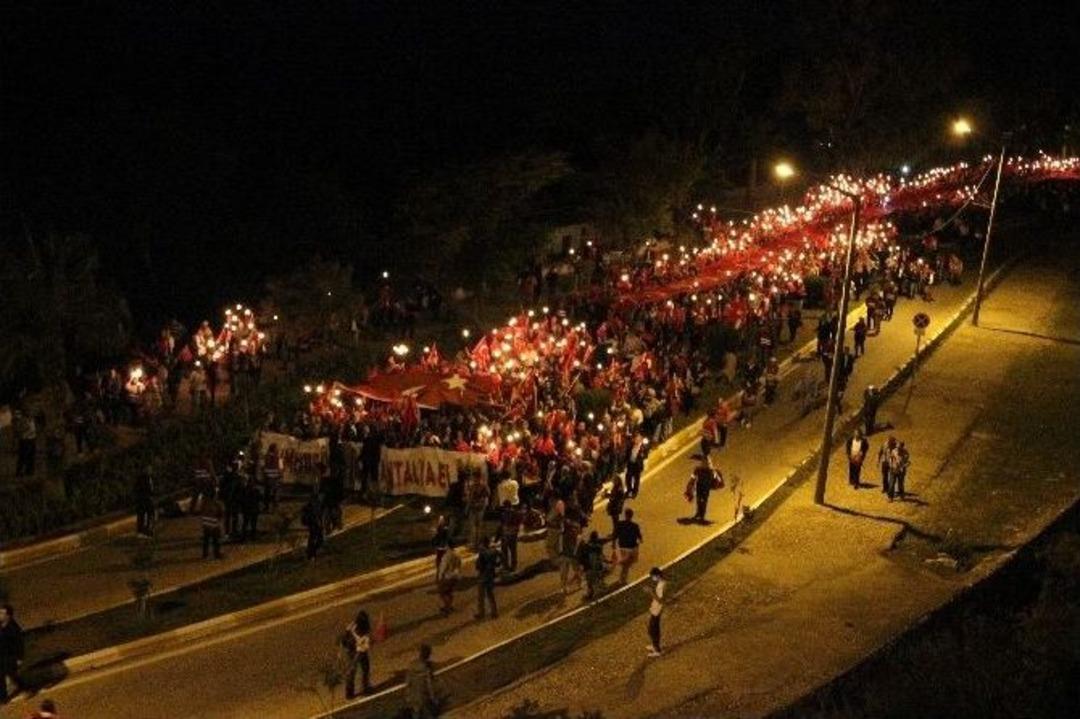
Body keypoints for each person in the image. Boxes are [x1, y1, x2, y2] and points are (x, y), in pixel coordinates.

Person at [343, 610, 372, 698]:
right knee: (364, 669)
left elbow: (346, 633)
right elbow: (363, 648)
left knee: (351, 672)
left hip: (350, 649)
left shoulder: (353, 625)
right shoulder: (364, 632)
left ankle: (349, 692)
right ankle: (365, 688)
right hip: (357, 650)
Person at [404, 643, 437, 719]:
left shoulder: (412, 665)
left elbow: (408, 681)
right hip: (423, 696)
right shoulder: (427, 668)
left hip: (413, 696)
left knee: (416, 714)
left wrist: (407, 695)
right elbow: (429, 685)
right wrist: (433, 697)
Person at [0, 604, 25, 704]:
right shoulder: (1, 625)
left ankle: (24, 686)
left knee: (12, 675)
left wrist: (19, 658)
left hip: (10, 657)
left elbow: (19, 643)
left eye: (2, 613)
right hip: (2, 655)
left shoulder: (13, 628)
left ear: (8, 615)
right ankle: (3, 698)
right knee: (1, 676)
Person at [686, 456, 722, 523]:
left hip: (705, 487)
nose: (705, 464)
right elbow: (693, 478)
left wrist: (718, 482)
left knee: (703, 501)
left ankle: (701, 516)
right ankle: (698, 514)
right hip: (699, 486)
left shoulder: (710, 471)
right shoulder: (698, 470)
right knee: (699, 500)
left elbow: (717, 478)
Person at [613, 508, 643, 584]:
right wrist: (640, 540)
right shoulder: (635, 526)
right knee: (626, 565)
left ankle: (622, 579)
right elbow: (639, 537)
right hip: (631, 548)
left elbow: (615, 535)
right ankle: (622, 580)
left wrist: (613, 544)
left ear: (625, 515)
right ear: (631, 516)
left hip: (622, 547)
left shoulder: (620, 524)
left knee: (625, 565)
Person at [475, 536, 500, 619]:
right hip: (490, 574)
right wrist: (497, 564)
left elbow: (479, 565)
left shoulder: (482, 552)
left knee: (481, 595)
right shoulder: (493, 551)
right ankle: (494, 611)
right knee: (490, 594)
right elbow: (500, 557)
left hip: (483, 575)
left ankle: (481, 612)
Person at [579, 530, 607, 600]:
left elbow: (581, 558)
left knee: (589, 583)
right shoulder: (598, 547)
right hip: (595, 567)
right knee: (597, 582)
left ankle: (590, 594)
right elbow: (600, 557)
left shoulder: (586, 546)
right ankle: (597, 595)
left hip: (587, 568)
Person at [645, 567, 666, 657]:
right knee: (653, 628)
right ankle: (655, 645)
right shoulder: (661, 583)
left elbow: (660, 600)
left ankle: (657, 650)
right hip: (655, 608)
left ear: (657, 575)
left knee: (652, 629)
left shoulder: (662, 585)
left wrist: (650, 592)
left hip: (657, 609)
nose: (653, 579)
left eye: (653, 576)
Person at [465, 473, 490, 549]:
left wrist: (467, 508)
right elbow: (488, 494)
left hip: (475, 508)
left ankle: (474, 543)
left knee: (474, 526)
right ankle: (477, 543)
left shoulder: (473, 487)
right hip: (480, 507)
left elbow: (470, 498)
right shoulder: (483, 486)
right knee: (478, 526)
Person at [198, 489, 224, 560]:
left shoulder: (205, 503)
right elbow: (221, 513)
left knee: (206, 540)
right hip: (214, 524)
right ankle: (216, 553)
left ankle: (205, 554)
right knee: (216, 540)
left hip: (206, 524)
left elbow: (201, 511)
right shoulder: (216, 503)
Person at [497, 500, 522, 573]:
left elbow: (501, 526)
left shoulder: (509, 514)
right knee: (510, 551)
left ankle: (509, 566)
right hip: (509, 534)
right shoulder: (514, 513)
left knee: (509, 550)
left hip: (509, 534)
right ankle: (510, 566)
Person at [302, 489, 325, 561]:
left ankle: (311, 552)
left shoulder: (319, 504)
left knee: (318, 540)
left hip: (317, 524)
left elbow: (320, 515)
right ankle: (311, 553)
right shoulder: (314, 505)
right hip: (314, 524)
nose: (322, 497)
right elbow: (314, 516)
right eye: (321, 496)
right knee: (314, 539)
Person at [624, 431, 648, 498]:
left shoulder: (643, 447)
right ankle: (629, 490)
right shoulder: (631, 445)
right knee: (628, 478)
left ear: (640, 439)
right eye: (635, 439)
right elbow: (627, 454)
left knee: (636, 480)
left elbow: (645, 456)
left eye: (637, 438)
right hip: (630, 464)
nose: (636, 440)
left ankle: (635, 492)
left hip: (637, 466)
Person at [134, 465, 156, 537]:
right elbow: (146, 489)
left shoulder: (148, 478)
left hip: (145, 499)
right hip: (145, 499)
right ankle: (147, 530)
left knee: (143, 515)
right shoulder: (144, 479)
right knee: (146, 514)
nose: (150, 470)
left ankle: (145, 530)